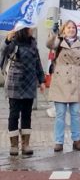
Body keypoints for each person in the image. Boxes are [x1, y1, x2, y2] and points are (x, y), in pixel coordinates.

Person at [46, 20, 80, 152]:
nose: (71, 29)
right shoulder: (58, 42)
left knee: (76, 114)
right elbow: (49, 44)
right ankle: (59, 141)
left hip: (76, 81)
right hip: (60, 82)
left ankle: (76, 140)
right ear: (64, 30)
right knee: (60, 114)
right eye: (68, 27)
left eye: (73, 27)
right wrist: (54, 34)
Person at [1, 28, 45, 156]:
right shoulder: (13, 42)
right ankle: (14, 145)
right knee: (14, 114)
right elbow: (3, 52)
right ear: (23, 30)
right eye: (30, 28)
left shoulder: (33, 43)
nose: (32, 29)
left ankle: (26, 144)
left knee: (27, 114)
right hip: (15, 82)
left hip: (29, 82)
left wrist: (42, 80)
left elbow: (38, 63)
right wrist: (7, 40)